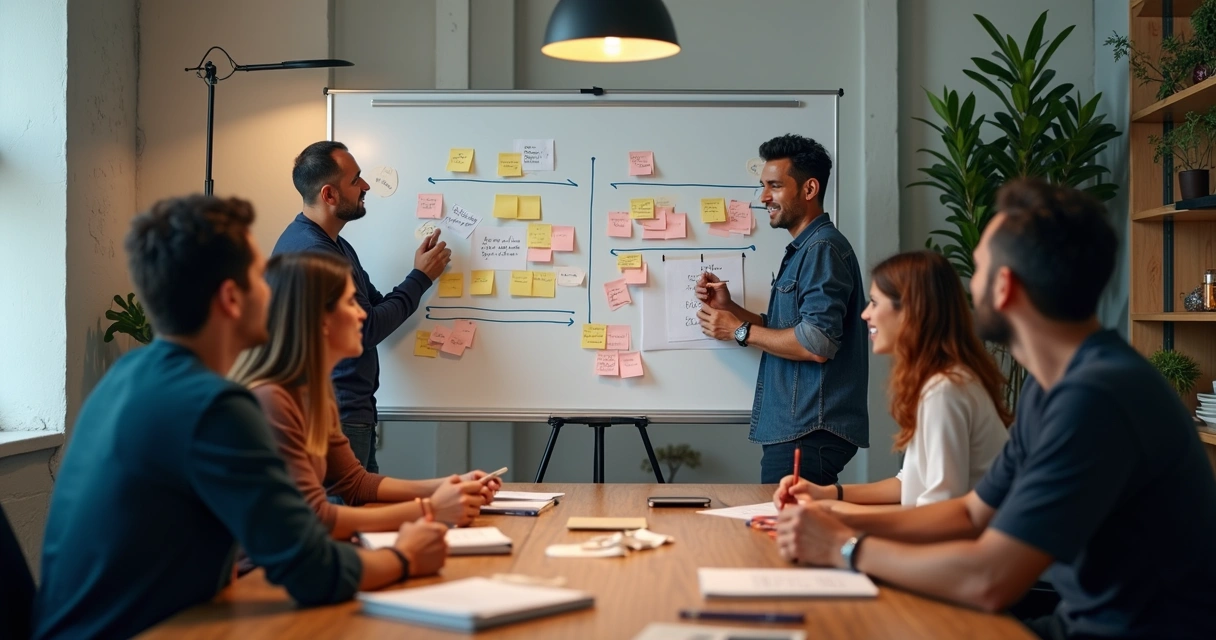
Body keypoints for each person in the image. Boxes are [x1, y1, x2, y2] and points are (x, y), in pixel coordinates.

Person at [774, 179, 1216, 640]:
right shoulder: (1055, 389)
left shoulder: (1096, 396)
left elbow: (990, 581)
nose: (969, 284)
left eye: (979, 268)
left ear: (1004, 287)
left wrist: (844, 547)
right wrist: (833, 515)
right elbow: (970, 513)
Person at [33, 195, 449, 640]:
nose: (274, 290)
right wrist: (405, 556)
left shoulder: (130, 376)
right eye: (259, 277)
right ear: (232, 299)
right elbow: (309, 568)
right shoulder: (214, 406)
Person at [231, 250, 499, 538]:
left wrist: (451, 486)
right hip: (261, 577)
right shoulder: (272, 400)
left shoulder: (317, 394)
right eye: (350, 302)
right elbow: (313, 520)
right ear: (321, 320)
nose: (362, 313)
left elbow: (355, 483)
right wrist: (431, 509)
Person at [773, 250, 1011, 513]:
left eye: (874, 302)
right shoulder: (941, 380)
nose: (865, 314)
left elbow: (938, 513)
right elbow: (908, 484)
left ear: (910, 310)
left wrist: (832, 514)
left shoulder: (945, 389)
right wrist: (825, 493)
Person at [696, 133, 869, 483]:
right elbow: (788, 328)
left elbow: (816, 342)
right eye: (763, 186)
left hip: (808, 432)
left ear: (809, 189)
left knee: (781, 537)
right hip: (799, 431)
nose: (763, 198)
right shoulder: (806, 249)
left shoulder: (822, 249)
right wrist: (733, 309)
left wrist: (738, 331)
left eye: (774, 186)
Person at [273, 140, 451, 472]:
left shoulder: (333, 245)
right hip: (335, 416)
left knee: (362, 511)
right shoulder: (314, 253)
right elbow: (366, 328)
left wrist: (419, 275)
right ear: (329, 195)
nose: (366, 186)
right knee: (346, 518)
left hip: (348, 413)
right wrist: (421, 277)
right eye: (356, 180)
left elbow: (374, 305)